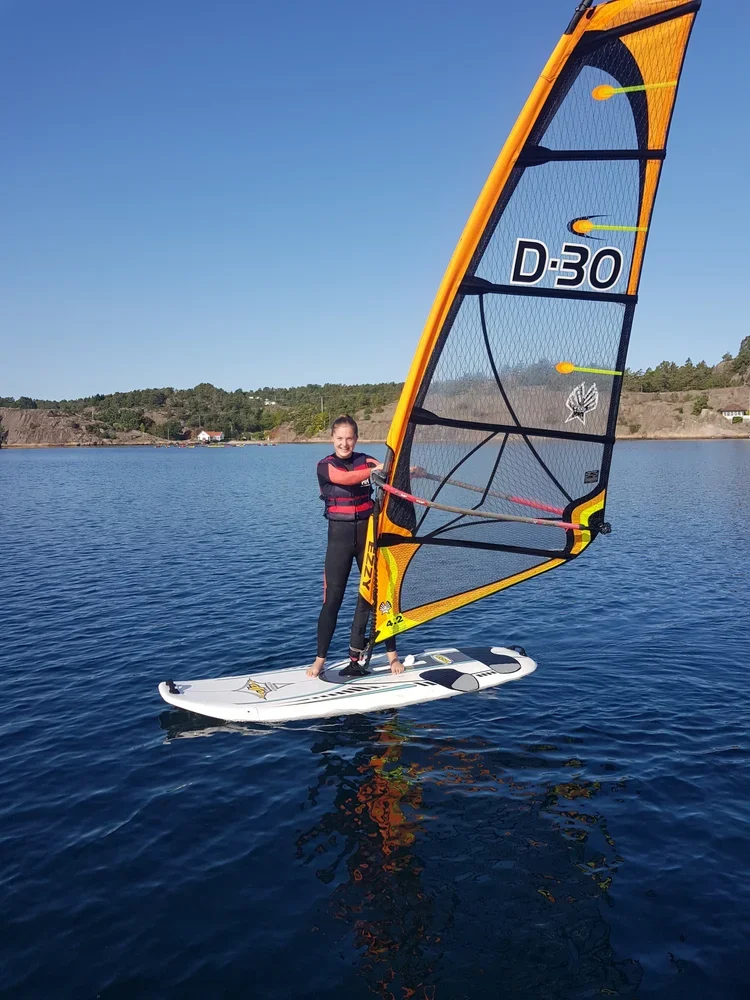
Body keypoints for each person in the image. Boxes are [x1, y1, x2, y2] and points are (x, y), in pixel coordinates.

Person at [307, 415, 404, 678]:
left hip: (367, 538)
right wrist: (377, 470)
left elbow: (390, 470)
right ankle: (320, 660)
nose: (344, 443)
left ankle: (391, 655)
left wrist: (407, 469)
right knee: (332, 601)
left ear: (356, 439)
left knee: (377, 596)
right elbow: (345, 478)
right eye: (339, 438)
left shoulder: (367, 460)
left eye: (349, 438)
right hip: (338, 541)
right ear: (332, 439)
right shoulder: (325, 466)